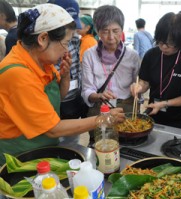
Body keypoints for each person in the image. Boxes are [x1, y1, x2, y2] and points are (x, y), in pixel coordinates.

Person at [0, 4, 124, 166]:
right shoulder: (18, 74)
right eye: (65, 43)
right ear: (43, 39)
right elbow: (53, 129)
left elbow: (58, 96)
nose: (66, 50)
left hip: (42, 148)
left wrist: (65, 77)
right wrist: (105, 119)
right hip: (20, 156)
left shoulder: (41, 62)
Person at [131, 12, 181, 129]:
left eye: (170, 43)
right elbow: (144, 83)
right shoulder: (151, 55)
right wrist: (138, 87)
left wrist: (164, 104)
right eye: (160, 42)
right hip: (152, 113)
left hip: (177, 119)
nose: (164, 47)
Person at [81, 5, 140, 146]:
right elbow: (87, 90)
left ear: (122, 30)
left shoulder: (132, 56)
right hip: (100, 109)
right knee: (100, 145)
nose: (111, 37)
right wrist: (99, 95)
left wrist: (138, 88)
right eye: (105, 31)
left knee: (127, 146)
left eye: (115, 31)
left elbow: (138, 85)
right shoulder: (89, 55)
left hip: (125, 109)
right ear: (97, 31)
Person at [48, 0, 88, 145]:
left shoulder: (76, 40)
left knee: (71, 142)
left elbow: (75, 69)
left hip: (73, 97)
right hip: (55, 104)